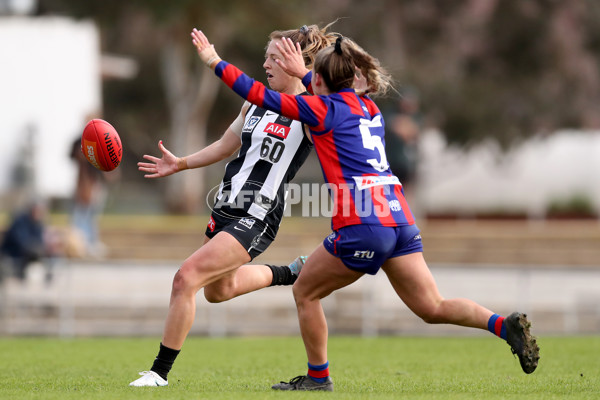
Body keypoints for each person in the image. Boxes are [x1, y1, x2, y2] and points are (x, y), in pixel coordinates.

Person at [191, 29, 540, 392]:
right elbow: (334, 95)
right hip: (399, 218)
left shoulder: (320, 109)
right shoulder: (368, 107)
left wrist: (215, 61)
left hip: (363, 223)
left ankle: (318, 378)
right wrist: (307, 75)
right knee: (431, 306)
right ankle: (502, 325)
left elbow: (256, 93)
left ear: (320, 80)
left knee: (305, 293)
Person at [129, 24, 338, 387]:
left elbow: (338, 131)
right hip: (226, 208)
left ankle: (158, 374)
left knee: (185, 279)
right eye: (266, 57)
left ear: (294, 61)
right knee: (217, 291)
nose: (267, 64)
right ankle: (289, 273)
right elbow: (227, 145)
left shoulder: (310, 110)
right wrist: (180, 163)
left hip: (258, 216)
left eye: (275, 58)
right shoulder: (254, 102)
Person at [0, 199, 58, 283]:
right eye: (38, 210)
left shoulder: (38, 224)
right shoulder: (20, 221)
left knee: (49, 254)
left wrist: (45, 248)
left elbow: (40, 241)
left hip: (28, 254)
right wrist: (37, 248)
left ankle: (48, 274)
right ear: (32, 209)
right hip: (12, 254)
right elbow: (21, 242)